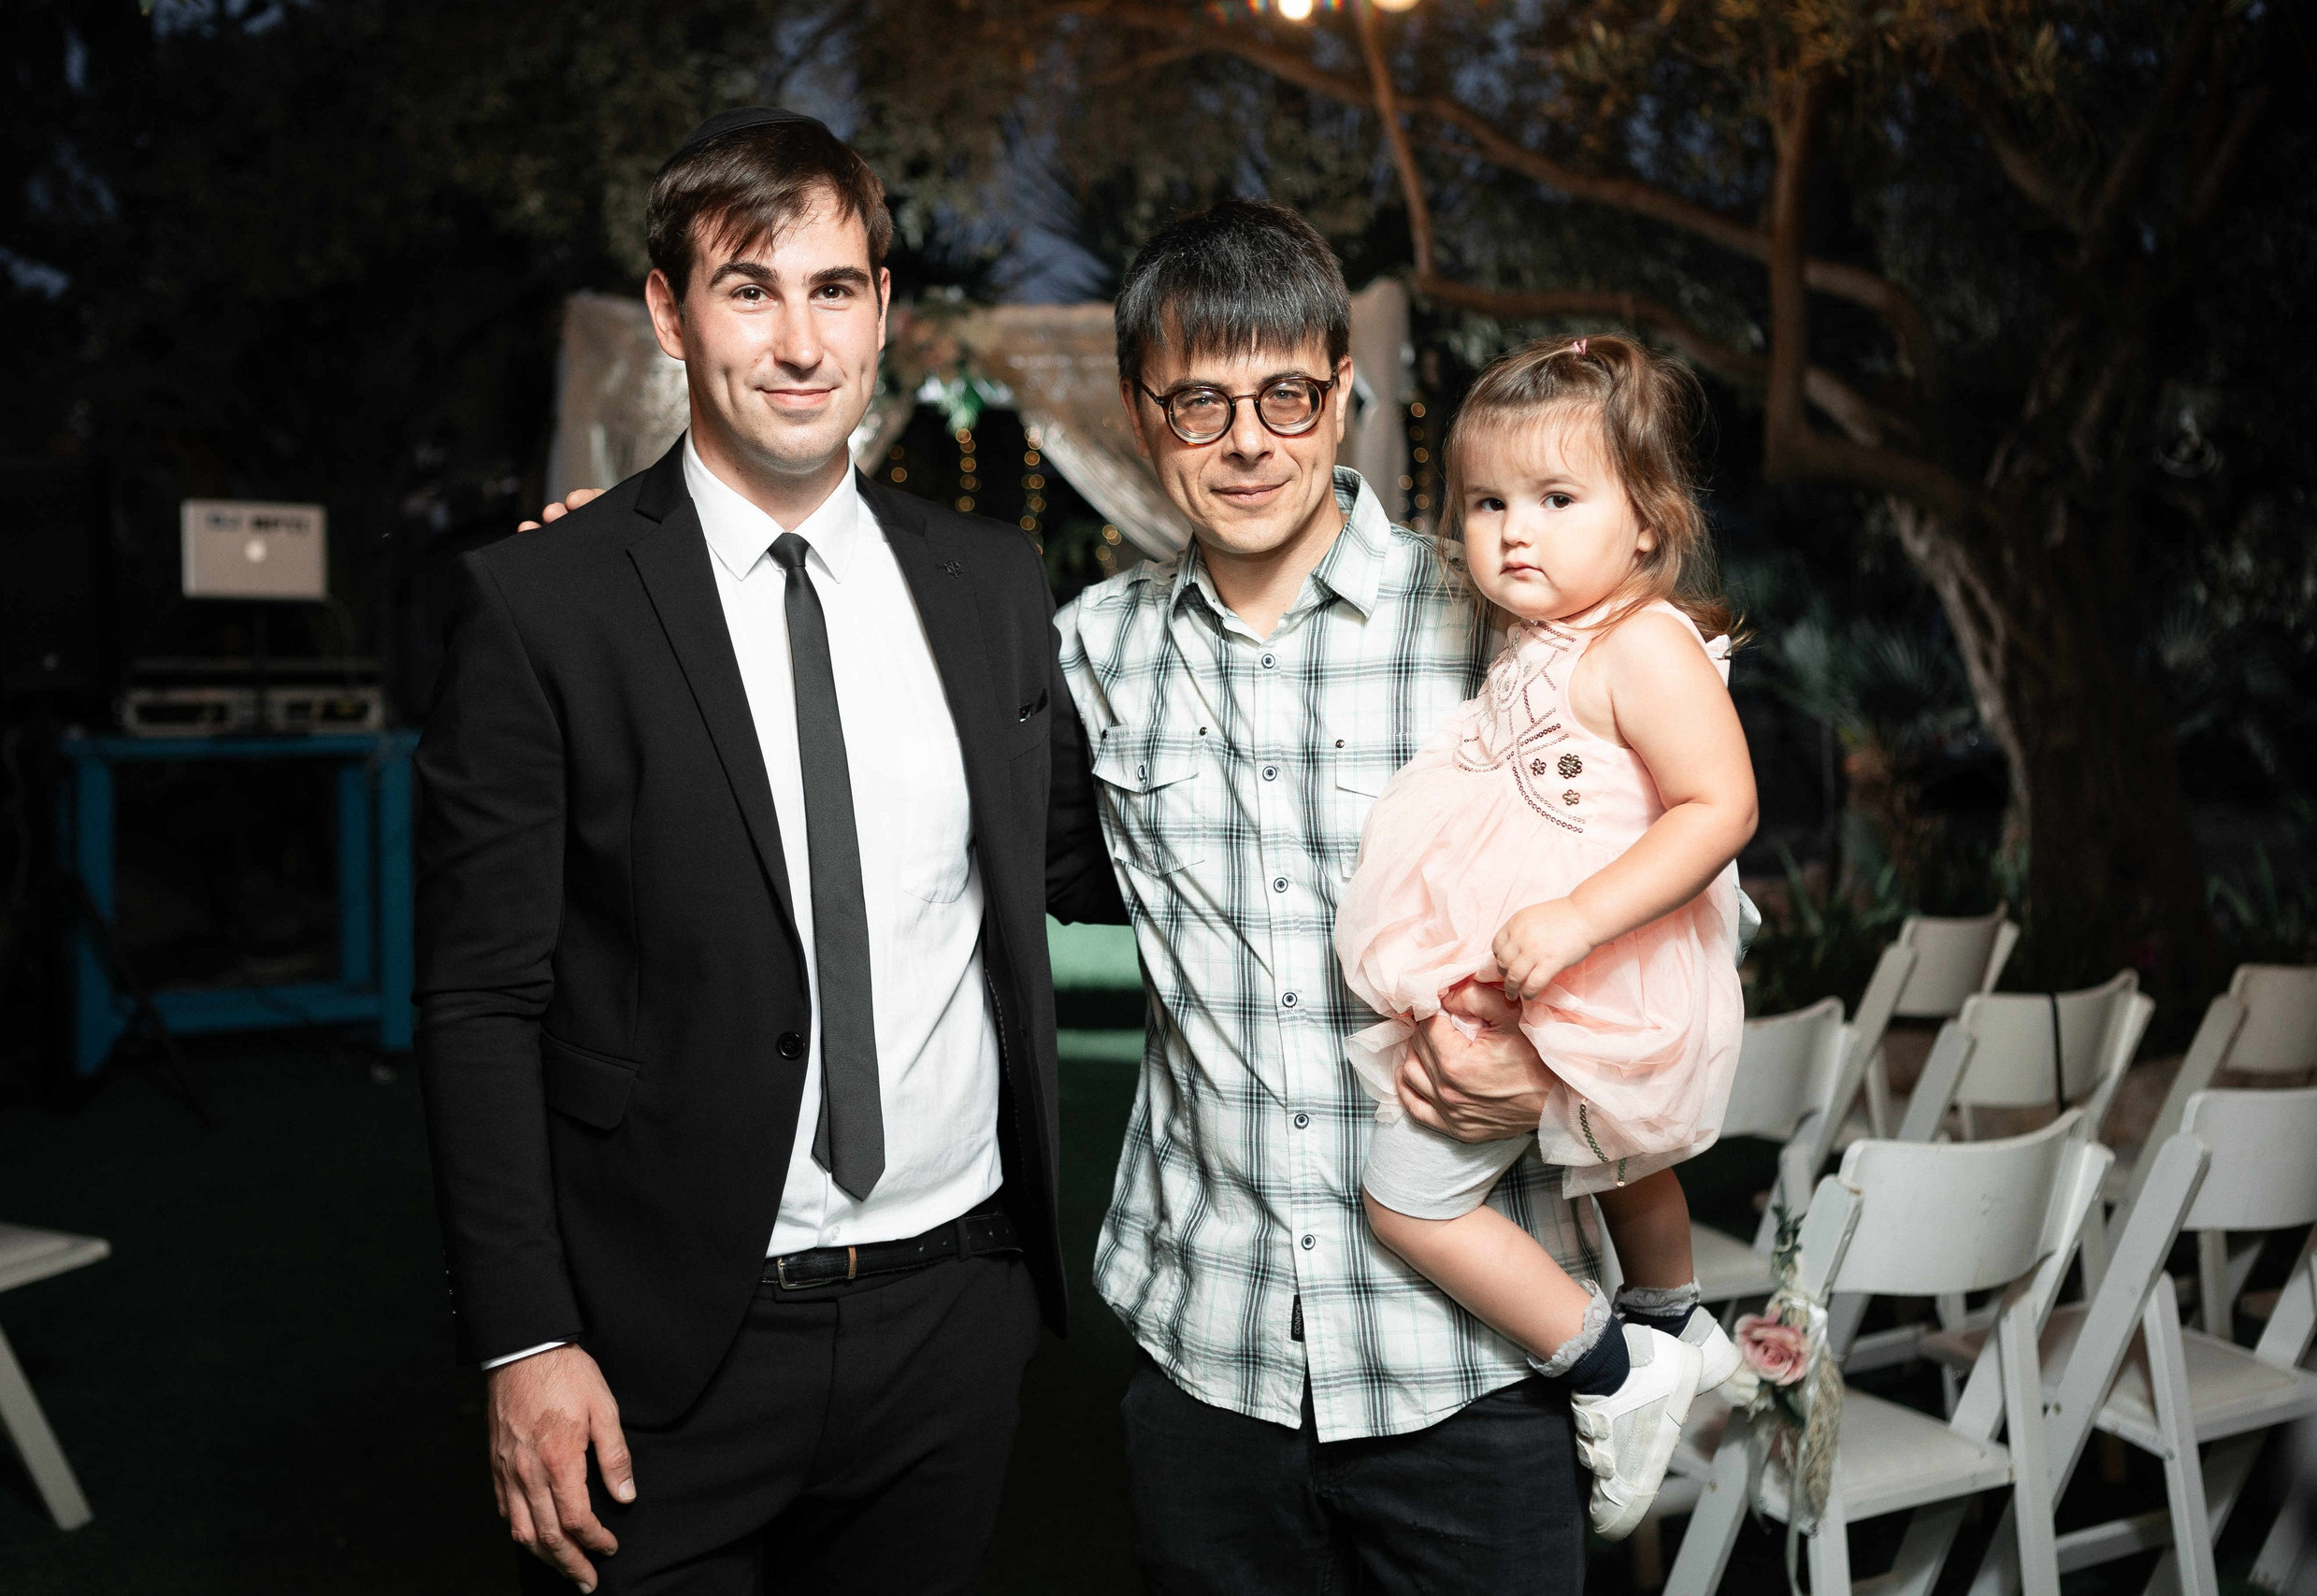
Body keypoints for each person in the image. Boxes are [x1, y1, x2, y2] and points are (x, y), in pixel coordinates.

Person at [415, 108, 1121, 1595]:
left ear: (883, 314)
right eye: (751, 288)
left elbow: (1081, 862)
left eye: (836, 289)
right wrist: (526, 1337)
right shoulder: (547, 606)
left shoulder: (992, 583)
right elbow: (482, 1001)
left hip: (955, 1315)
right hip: (664, 1338)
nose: (799, 342)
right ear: (672, 311)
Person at [1058, 201, 1644, 1593]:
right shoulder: (1090, 652)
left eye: (1285, 394)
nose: (1249, 438)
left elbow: (1682, 928)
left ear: (1341, 391)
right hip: (1210, 1357)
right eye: (1199, 402)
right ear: (1142, 418)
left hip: (1469, 1361)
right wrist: (635, 551)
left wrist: (1564, 1083)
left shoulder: (1503, 626)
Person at [1333, 334, 1758, 1542]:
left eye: (1557, 499)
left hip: (1598, 953)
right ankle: (1676, 1317)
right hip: (1560, 951)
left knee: (1408, 1204)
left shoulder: (1644, 644)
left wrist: (1576, 917)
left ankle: (1608, 1367)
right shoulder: (1547, 638)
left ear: (1647, 519)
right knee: (1620, 1153)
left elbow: (1720, 806)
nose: (1514, 531)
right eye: (1487, 502)